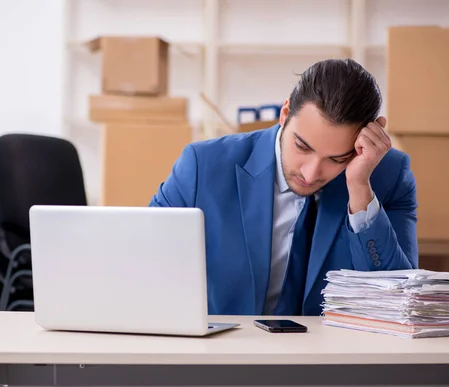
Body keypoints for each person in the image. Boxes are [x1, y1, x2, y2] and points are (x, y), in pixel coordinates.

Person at [149, 58, 418, 316]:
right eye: (302, 146)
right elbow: (143, 259)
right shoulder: (203, 166)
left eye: (337, 159)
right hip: (225, 351)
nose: (310, 173)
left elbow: (401, 302)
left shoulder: (389, 177)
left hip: (334, 356)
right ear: (285, 113)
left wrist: (359, 188)